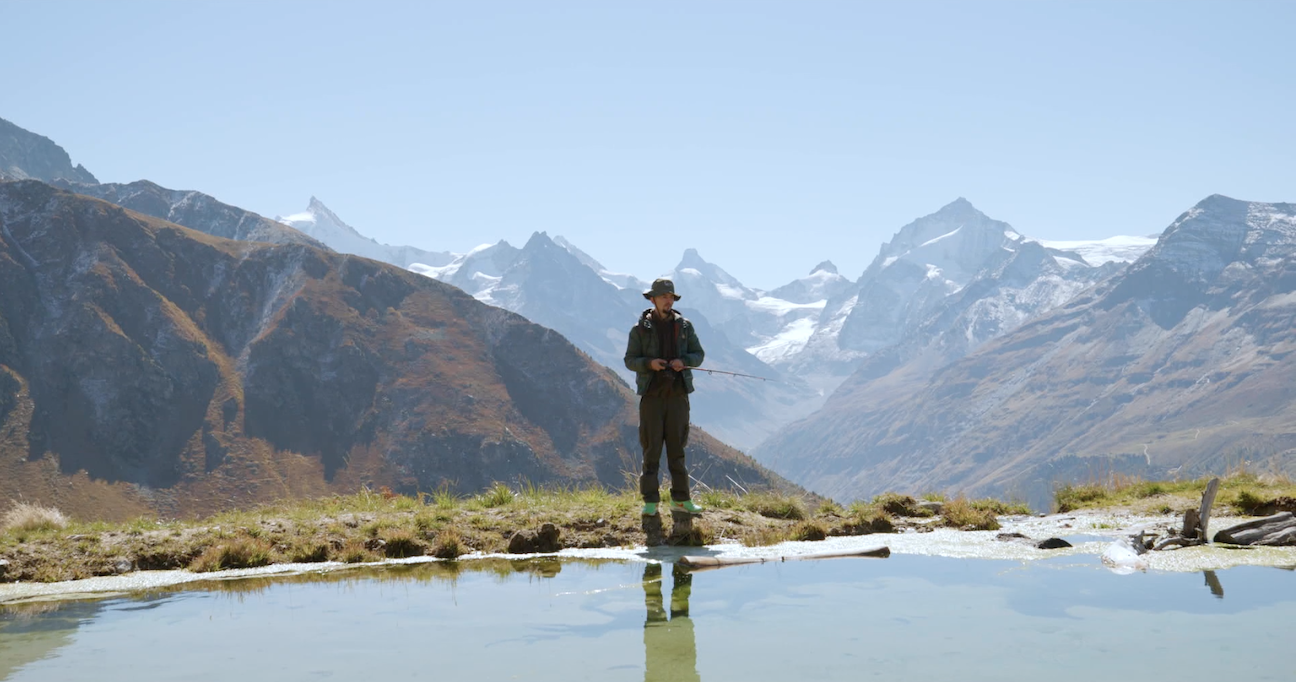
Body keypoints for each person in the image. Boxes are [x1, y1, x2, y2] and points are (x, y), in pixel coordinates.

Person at [624, 278, 705, 516]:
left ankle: (681, 500)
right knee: (651, 449)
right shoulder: (639, 329)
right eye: (664, 297)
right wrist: (650, 364)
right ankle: (650, 502)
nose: (668, 301)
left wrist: (684, 362)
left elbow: (698, 355)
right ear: (653, 300)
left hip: (678, 395)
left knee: (677, 450)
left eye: (671, 297)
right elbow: (630, 360)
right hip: (651, 395)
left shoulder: (686, 327)